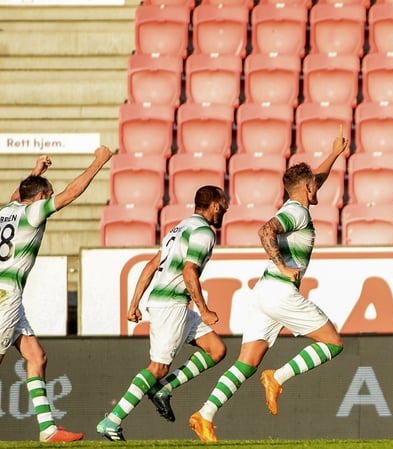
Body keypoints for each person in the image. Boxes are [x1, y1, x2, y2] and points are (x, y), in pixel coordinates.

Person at [188, 127, 349, 442]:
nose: (319, 187)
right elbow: (265, 231)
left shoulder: (297, 203)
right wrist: (283, 266)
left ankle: (204, 414)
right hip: (279, 291)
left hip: (264, 294)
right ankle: (278, 377)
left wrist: (334, 154)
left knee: (246, 363)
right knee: (332, 343)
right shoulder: (296, 213)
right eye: (314, 185)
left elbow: (317, 178)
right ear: (306, 188)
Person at [96, 185, 229, 441]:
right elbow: (189, 271)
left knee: (217, 350)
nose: (226, 208)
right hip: (171, 305)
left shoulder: (177, 229)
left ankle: (163, 390)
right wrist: (204, 308)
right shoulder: (203, 232)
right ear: (214, 205)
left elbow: (151, 264)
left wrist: (134, 302)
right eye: (223, 204)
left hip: (173, 303)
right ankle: (111, 421)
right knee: (158, 367)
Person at [1, 147, 113, 442]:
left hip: (10, 295)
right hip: (5, 295)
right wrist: (98, 162)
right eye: (47, 195)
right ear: (40, 199)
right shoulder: (34, 211)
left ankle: (48, 429)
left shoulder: (8, 210)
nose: (50, 200)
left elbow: (19, 195)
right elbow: (71, 194)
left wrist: (35, 173)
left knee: (36, 356)